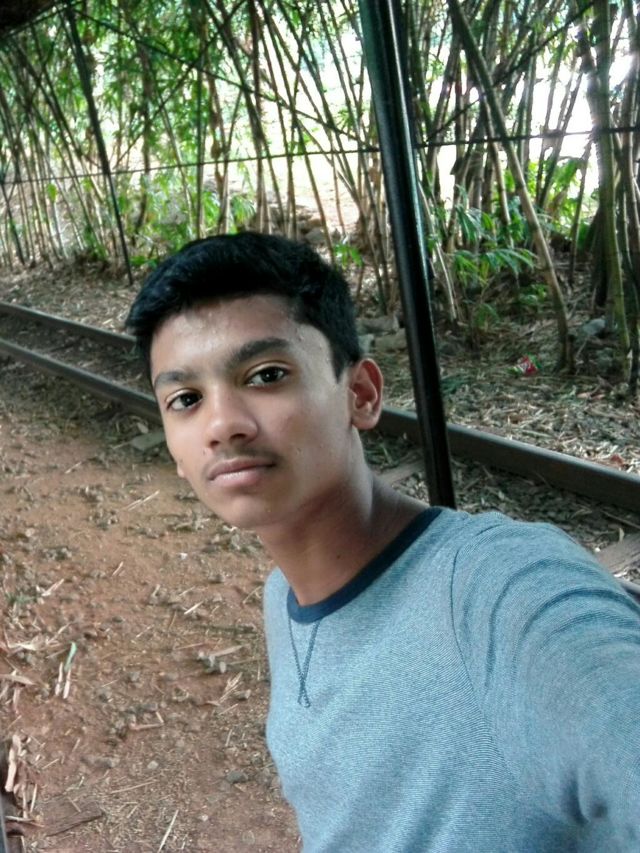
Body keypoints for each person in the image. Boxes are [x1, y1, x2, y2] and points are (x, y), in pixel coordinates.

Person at [127, 232, 640, 852]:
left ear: (361, 395)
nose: (222, 425)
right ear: (175, 451)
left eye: (266, 375)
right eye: (185, 399)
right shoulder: (283, 596)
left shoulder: (502, 597)